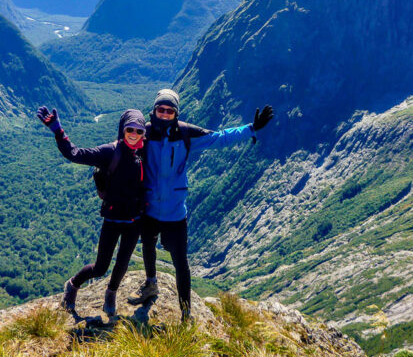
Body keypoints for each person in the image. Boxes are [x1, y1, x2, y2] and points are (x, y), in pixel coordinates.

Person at [127, 89, 273, 320]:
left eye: (169, 110)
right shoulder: (143, 132)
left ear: (175, 113)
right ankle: (151, 285)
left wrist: (250, 129)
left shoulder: (185, 134)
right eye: (160, 110)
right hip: (150, 207)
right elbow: (122, 145)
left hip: (175, 212)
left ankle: (186, 311)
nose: (164, 114)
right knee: (148, 247)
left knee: (181, 263)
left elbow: (220, 138)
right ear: (153, 110)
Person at [36, 105, 146, 316]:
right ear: (122, 129)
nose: (134, 134)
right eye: (129, 129)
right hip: (113, 219)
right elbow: (74, 154)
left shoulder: (145, 150)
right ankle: (73, 285)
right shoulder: (110, 151)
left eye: (139, 131)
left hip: (135, 220)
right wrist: (58, 130)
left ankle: (110, 294)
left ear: (144, 133)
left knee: (122, 263)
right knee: (101, 267)